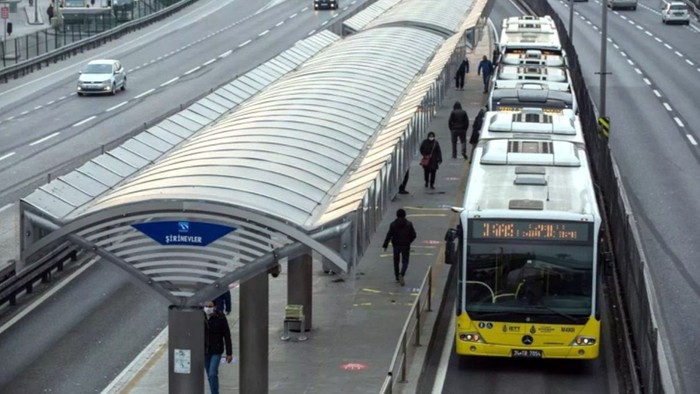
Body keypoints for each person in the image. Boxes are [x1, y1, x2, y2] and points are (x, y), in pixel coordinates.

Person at [203, 300, 233, 394]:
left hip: (216, 350)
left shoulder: (220, 318)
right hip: (204, 351)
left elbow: (227, 335)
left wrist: (229, 353)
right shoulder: (201, 317)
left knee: (212, 373)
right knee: (209, 374)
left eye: (210, 306)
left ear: (215, 307)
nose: (208, 308)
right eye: (206, 306)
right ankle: (214, 391)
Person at [382, 208, 417, 286]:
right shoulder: (409, 224)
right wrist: (409, 241)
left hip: (396, 245)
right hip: (405, 245)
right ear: (405, 215)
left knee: (396, 261)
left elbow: (389, 235)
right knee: (405, 261)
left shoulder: (393, 224)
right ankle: (402, 273)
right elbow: (414, 235)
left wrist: (385, 245)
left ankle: (397, 277)